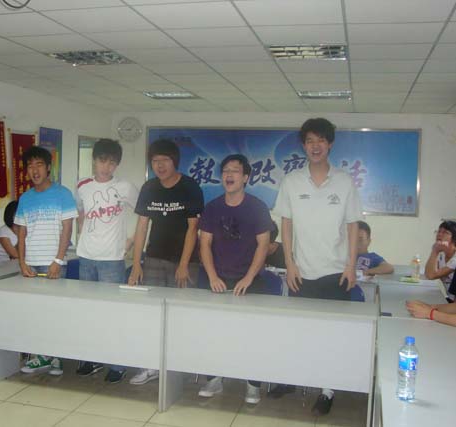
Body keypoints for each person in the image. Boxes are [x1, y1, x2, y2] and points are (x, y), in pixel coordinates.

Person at [273, 118, 362, 415]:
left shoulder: (345, 181)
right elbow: (286, 224)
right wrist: (289, 263)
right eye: (310, 141)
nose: (315, 146)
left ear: (330, 144)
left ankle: (327, 389)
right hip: (301, 271)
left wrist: (351, 265)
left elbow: (353, 225)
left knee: (332, 334)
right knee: (300, 331)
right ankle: (294, 379)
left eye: (321, 140)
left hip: (336, 271)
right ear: (303, 145)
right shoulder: (292, 181)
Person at [197, 154, 273, 404]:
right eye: (225, 171)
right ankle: (214, 379)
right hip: (217, 281)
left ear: (246, 177)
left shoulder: (257, 207)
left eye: (235, 171)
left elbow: (263, 245)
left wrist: (249, 278)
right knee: (214, 333)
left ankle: (252, 384)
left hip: (250, 282)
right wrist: (212, 276)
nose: (229, 175)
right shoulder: (213, 207)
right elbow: (205, 243)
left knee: (252, 335)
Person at [127, 138, 204, 385]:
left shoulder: (190, 187)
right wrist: (137, 263)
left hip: (185, 262)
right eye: (155, 161)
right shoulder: (149, 188)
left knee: (182, 316)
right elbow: (141, 227)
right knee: (152, 316)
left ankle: (178, 368)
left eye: (165, 160)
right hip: (154, 259)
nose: (159, 165)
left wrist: (183, 264)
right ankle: (151, 366)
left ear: (175, 161)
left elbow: (193, 229)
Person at [74, 138, 138, 384]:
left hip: (112, 259)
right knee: (89, 313)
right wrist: (81, 236)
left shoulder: (125, 187)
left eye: (112, 162)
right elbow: (80, 213)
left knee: (113, 313)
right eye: (102, 160)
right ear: (94, 160)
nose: (106, 166)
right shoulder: (83, 186)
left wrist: (131, 240)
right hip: (86, 257)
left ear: (117, 165)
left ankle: (117, 364)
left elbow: (144, 214)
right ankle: (92, 359)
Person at [15, 146, 77, 376]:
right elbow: (21, 233)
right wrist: (22, 263)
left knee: (54, 313)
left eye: (39, 165)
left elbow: (67, 229)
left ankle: (52, 356)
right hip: (31, 265)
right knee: (35, 313)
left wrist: (58, 261)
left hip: (53, 264)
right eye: (30, 166)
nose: (34, 170)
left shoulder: (63, 194)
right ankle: (46, 356)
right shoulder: (25, 198)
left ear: (48, 167)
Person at [424, 220, 456, 300]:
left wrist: (434, 251)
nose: (439, 234)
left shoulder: (455, 259)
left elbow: (431, 275)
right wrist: (435, 251)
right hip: (448, 298)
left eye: (445, 232)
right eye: (439, 231)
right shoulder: (441, 253)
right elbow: (428, 274)